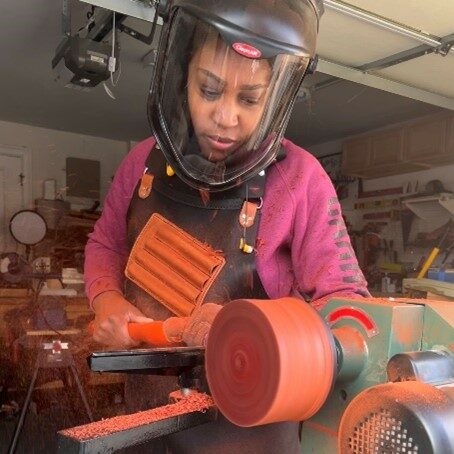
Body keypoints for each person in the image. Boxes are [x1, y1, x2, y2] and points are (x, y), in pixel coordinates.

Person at [85, 0, 369, 452]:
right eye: (210, 89)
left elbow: (351, 310)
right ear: (181, 78)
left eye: (250, 99)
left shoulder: (301, 178)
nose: (226, 116)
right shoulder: (141, 163)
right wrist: (106, 299)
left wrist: (254, 327)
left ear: (277, 95)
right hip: (145, 414)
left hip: (251, 427)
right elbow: (105, 243)